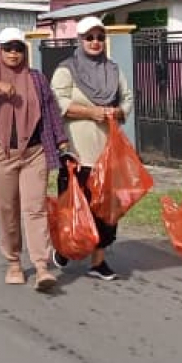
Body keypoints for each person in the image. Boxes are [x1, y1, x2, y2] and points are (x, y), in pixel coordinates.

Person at [0, 27, 68, 292]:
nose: (13, 53)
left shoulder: (37, 79)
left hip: (35, 153)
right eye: (8, 48)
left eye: (18, 48)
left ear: (25, 51)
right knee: (6, 211)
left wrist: (61, 140)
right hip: (0, 154)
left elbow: (50, 110)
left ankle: (42, 267)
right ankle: (13, 263)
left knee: (35, 209)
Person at [49, 16, 135, 281]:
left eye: (99, 37)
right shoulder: (67, 70)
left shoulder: (112, 69)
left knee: (106, 210)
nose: (95, 42)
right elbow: (56, 104)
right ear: (80, 40)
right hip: (76, 150)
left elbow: (128, 98)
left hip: (106, 153)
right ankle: (65, 248)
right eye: (89, 37)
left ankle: (98, 262)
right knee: (75, 208)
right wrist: (90, 112)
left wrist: (117, 112)